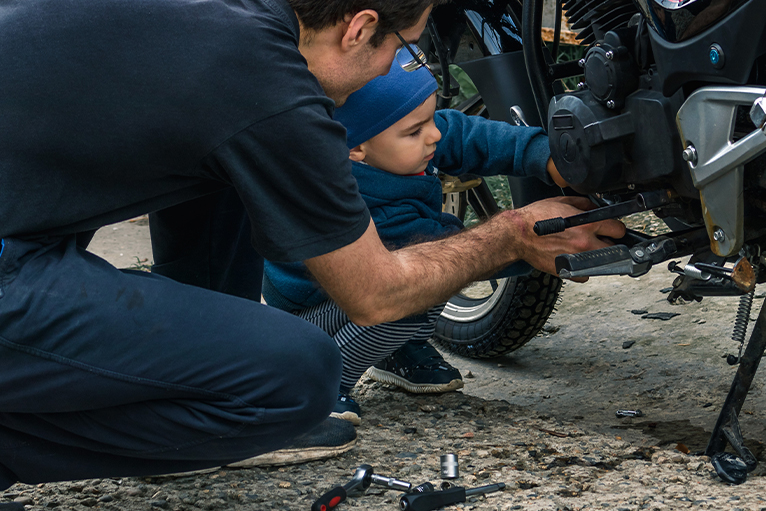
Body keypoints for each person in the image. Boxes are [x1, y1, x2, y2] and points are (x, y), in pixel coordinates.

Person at [0, 0, 624, 490]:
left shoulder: (221, 22)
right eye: (407, 48)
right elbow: (376, 295)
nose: (399, 70)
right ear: (359, 29)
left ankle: (176, 379)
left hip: (26, 215)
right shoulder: (261, 81)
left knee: (222, 165)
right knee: (298, 378)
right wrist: (513, 233)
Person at [263, 59, 563, 424]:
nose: (434, 135)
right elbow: (446, 256)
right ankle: (321, 379)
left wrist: (546, 155)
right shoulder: (365, 199)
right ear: (355, 148)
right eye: (415, 131)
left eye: (431, 118)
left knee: (417, 288)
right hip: (307, 321)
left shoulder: (395, 143)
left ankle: (395, 353)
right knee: (423, 290)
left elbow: (468, 134)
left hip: (350, 297)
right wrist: (528, 240)